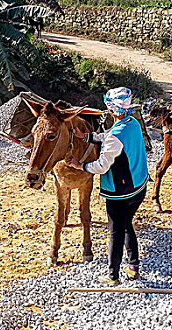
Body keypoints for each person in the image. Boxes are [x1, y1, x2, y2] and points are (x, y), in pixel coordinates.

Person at [66, 87, 149, 286]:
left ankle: (113, 276)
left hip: (121, 193)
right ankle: (134, 266)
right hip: (139, 185)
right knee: (127, 225)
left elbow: (101, 167)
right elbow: (109, 136)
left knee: (116, 232)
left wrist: (80, 165)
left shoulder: (116, 135)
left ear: (112, 109)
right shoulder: (132, 123)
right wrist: (85, 137)